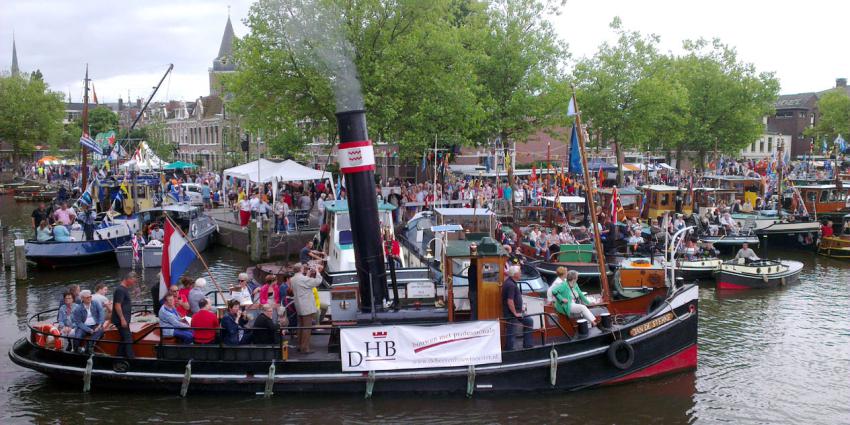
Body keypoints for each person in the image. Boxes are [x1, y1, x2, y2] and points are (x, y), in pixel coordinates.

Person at [291, 264, 324, 353]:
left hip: (299, 306)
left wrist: (308, 274)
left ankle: (300, 345)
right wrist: (317, 271)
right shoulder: (303, 279)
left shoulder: (293, 279)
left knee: (301, 326)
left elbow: (303, 284)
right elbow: (318, 281)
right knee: (307, 327)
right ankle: (305, 348)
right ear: (301, 269)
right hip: (306, 307)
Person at [502, 266, 533, 350]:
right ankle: (509, 348)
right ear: (514, 274)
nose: (521, 274)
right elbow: (510, 301)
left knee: (529, 321)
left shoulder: (510, 282)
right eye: (519, 272)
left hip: (516, 311)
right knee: (511, 329)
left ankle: (527, 344)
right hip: (511, 313)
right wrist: (515, 313)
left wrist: (520, 308)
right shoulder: (511, 285)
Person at [112, 272, 137, 359]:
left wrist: (134, 294)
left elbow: (125, 302)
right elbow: (117, 305)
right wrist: (122, 319)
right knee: (128, 339)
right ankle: (131, 359)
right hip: (121, 320)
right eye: (134, 281)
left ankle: (118, 357)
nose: (134, 283)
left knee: (124, 338)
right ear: (128, 279)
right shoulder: (120, 290)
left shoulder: (124, 289)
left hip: (124, 319)